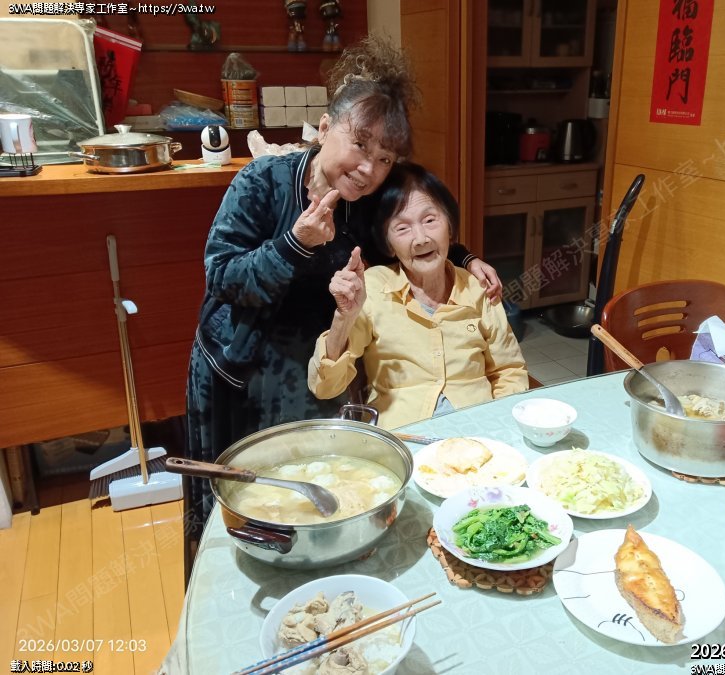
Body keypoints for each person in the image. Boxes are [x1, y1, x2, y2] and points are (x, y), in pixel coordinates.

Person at [185, 36, 501, 525]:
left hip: (317, 375)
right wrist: (295, 243)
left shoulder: (369, 202)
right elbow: (221, 276)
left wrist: (465, 257)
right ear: (325, 127)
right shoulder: (262, 181)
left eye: (385, 158)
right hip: (240, 374)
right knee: (238, 507)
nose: (369, 168)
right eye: (360, 144)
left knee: (311, 502)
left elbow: (415, 224)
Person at [308, 163, 528, 429]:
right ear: (388, 244)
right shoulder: (372, 289)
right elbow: (325, 387)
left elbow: (509, 371)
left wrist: (502, 427)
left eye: (430, 220)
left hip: (478, 432)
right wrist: (344, 317)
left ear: (450, 227)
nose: (421, 238)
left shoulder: (478, 287)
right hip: (405, 438)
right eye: (402, 228)